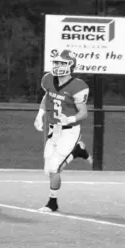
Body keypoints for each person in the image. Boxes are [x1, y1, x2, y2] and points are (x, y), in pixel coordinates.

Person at [35, 49, 92, 212]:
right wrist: (40, 114)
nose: (58, 66)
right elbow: (47, 96)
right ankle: (77, 152)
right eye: (57, 62)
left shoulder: (78, 86)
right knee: (49, 171)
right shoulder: (48, 79)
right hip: (54, 130)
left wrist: (71, 119)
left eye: (62, 63)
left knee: (54, 168)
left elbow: (83, 113)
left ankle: (52, 202)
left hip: (70, 130)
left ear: (71, 66)